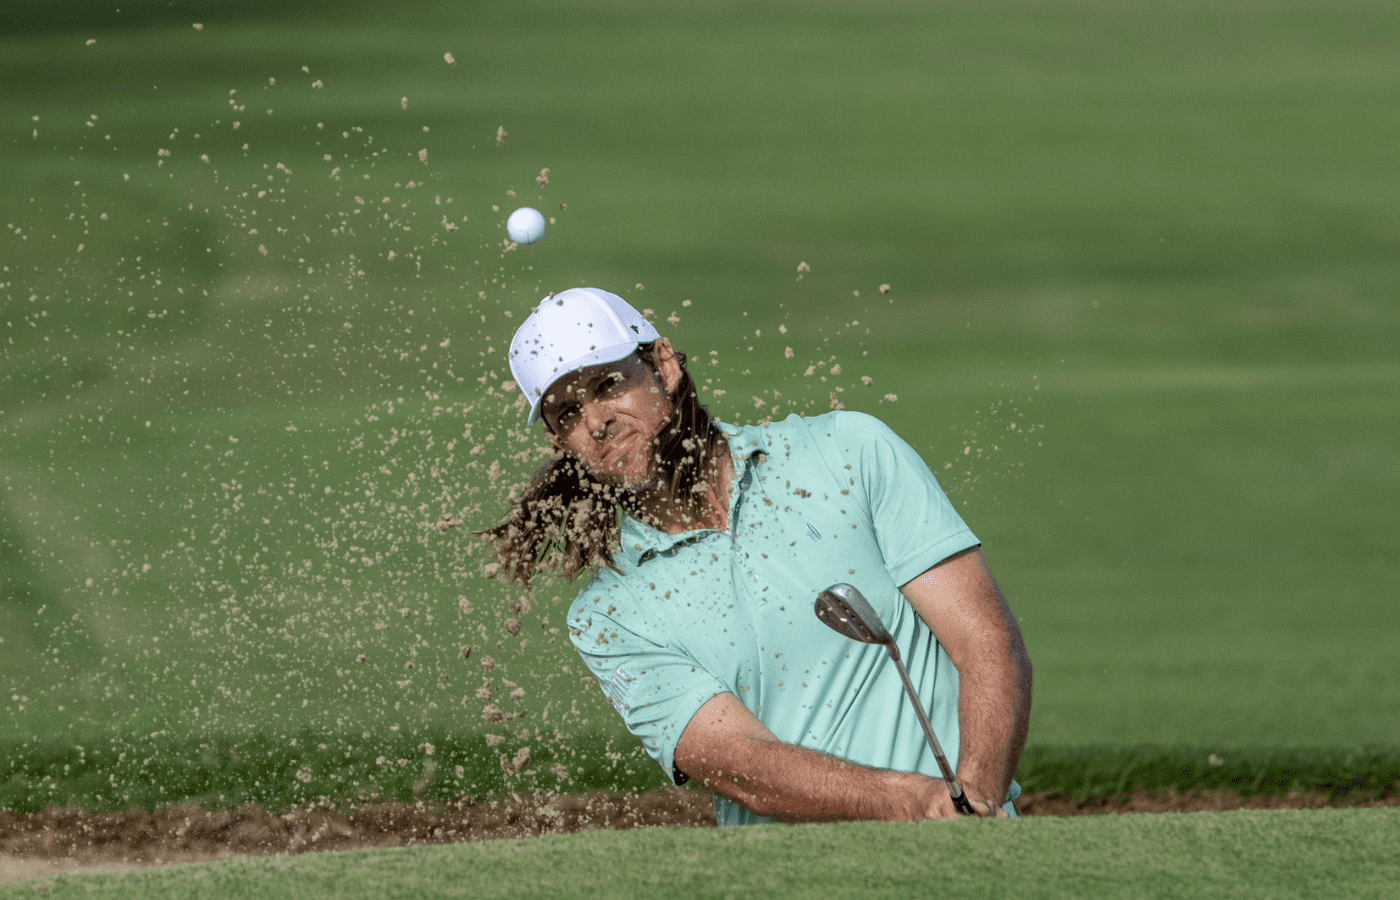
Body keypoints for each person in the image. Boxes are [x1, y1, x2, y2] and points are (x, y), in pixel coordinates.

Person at [482, 287, 1032, 825]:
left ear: (665, 365)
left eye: (608, 384)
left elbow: (984, 639)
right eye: (567, 414)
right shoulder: (608, 614)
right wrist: (918, 804)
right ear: (561, 443)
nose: (596, 420)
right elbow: (741, 765)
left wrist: (974, 799)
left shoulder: (847, 452)